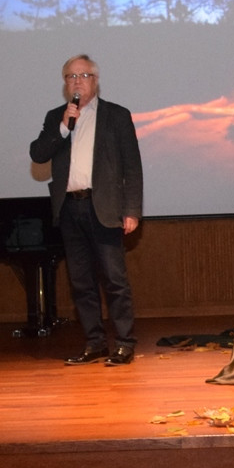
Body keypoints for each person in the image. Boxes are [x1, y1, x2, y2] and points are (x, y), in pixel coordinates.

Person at [29, 54, 143, 366]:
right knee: (81, 283)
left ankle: (124, 343)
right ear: (65, 84)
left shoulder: (116, 116)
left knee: (114, 281)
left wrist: (132, 210)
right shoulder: (58, 117)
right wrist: (63, 128)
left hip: (104, 208)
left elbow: (132, 167)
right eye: (70, 77)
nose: (77, 82)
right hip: (70, 209)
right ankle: (95, 343)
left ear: (95, 80)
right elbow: (38, 154)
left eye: (83, 76)